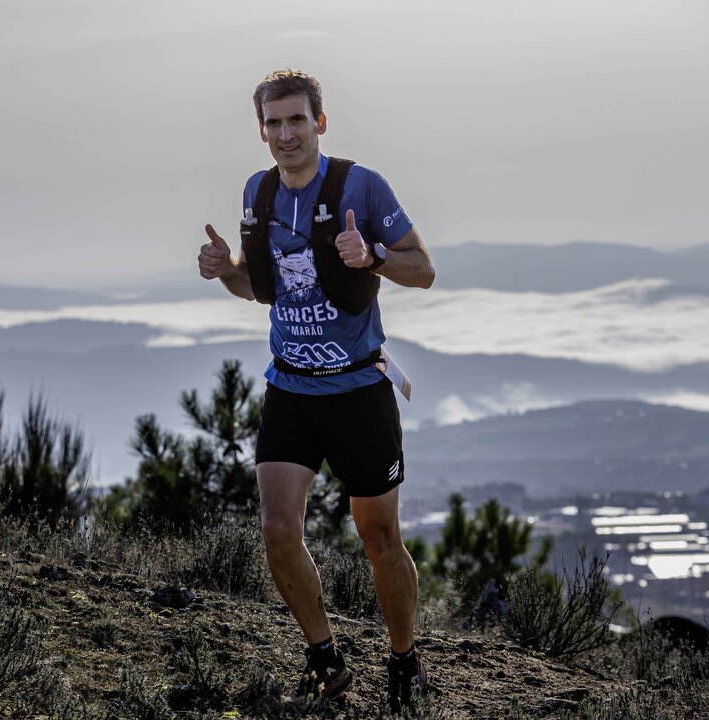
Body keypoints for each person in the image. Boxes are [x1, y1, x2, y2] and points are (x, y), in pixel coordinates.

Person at [198, 69, 435, 714]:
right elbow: (261, 289)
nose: (286, 134)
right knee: (277, 528)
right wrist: (226, 271)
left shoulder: (362, 185)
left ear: (319, 122)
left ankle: (404, 659)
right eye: (273, 123)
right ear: (261, 131)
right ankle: (325, 656)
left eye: (296, 120)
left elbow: (423, 270)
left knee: (379, 538)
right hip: (291, 388)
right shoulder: (258, 192)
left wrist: (374, 257)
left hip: (358, 389)